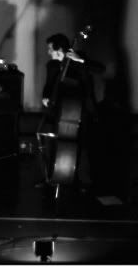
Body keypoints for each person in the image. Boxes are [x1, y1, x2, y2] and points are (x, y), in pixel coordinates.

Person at [38, 33, 98, 190]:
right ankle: (50, 177)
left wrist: (80, 60)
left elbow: (100, 69)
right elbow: (48, 85)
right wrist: (45, 97)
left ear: (59, 49)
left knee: (81, 146)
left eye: (50, 49)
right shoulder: (52, 65)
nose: (48, 52)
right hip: (57, 110)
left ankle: (82, 181)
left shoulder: (77, 59)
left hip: (79, 110)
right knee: (50, 143)